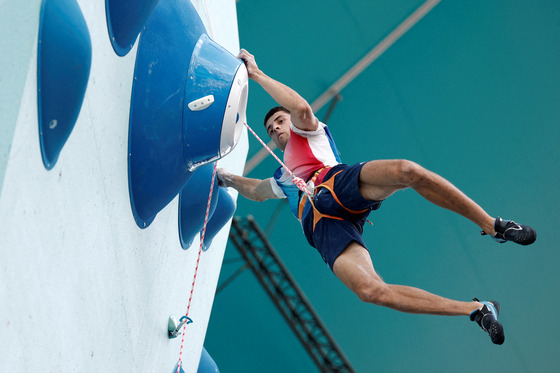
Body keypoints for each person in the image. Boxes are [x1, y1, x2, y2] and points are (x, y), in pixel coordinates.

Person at [217, 49, 536, 345]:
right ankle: (477, 309)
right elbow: (256, 192)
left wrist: (256, 74)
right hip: (323, 226)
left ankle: (493, 225)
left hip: (335, 184)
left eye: (278, 122)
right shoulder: (280, 177)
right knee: (371, 291)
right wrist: (224, 178)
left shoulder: (308, 133)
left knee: (407, 171)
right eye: (270, 130)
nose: (275, 129)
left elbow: (300, 108)